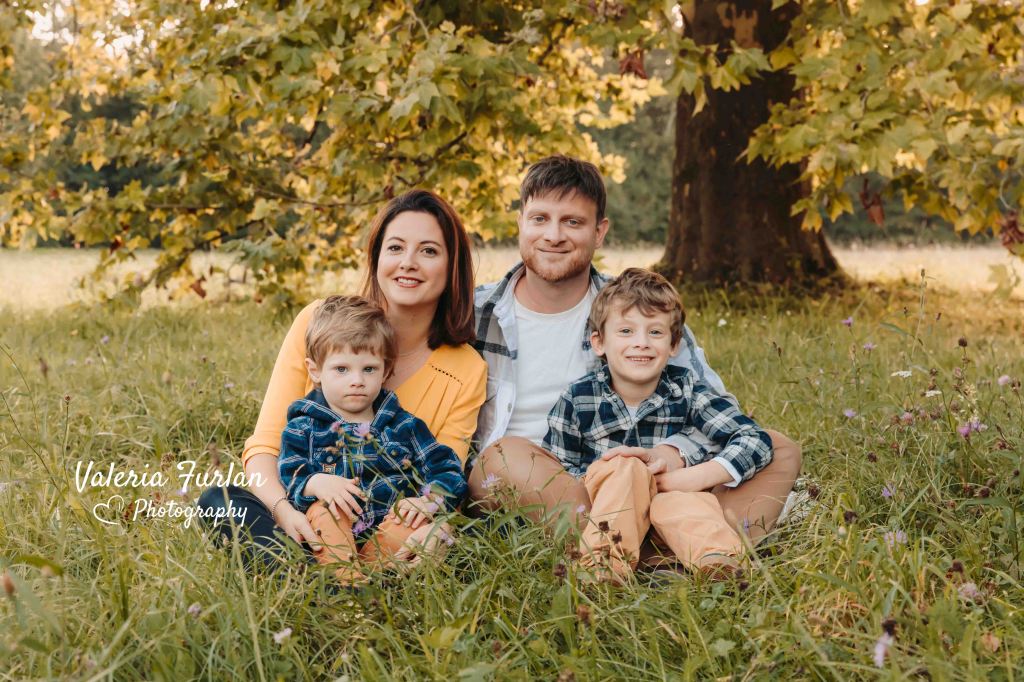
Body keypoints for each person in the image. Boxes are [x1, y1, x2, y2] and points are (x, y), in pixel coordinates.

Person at [467, 155, 801, 552]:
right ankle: (679, 547)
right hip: (553, 487)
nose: (553, 235)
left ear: (599, 231)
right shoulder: (473, 312)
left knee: (778, 447)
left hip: (651, 482)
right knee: (502, 458)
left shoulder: (635, 311)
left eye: (573, 222)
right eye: (540, 218)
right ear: (520, 222)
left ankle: (636, 548)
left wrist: (674, 454)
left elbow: (718, 409)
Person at [198, 190, 487, 567]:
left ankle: (341, 584)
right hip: (305, 515)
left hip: (388, 527)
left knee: (446, 542)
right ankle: (320, 578)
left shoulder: (465, 367)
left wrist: (433, 525)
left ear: (452, 266)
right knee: (219, 502)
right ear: (377, 257)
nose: (409, 263)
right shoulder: (319, 322)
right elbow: (266, 446)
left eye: (429, 251)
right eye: (396, 248)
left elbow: (445, 471)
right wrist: (286, 511)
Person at [544, 268, 771, 579]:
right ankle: (604, 568)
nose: (641, 343)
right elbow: (558, 469)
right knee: (625, 465)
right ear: (599, 342)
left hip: (672, 496)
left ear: (674, 343)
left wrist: (693, 477)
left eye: (655, 332)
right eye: (626, 332)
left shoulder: (687, 390)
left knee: (684, 502)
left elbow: (753, 438)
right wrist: (611, 481)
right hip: (609, 504)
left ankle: (719, 565)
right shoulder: (578, 399)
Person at [277, 296, 466, 583]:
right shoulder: (304, 425)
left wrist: (430, 501)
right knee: (327, 510)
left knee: (411, 520)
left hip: (386, 533)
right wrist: (315, 483)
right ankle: (346, 584)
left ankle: (373, 584)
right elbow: (288, 471)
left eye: (368, 369)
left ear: (386, 370)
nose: (357, 380)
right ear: (315, 371)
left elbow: (445, 467)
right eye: (341, 369)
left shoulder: (403, 426)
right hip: (331, 534)